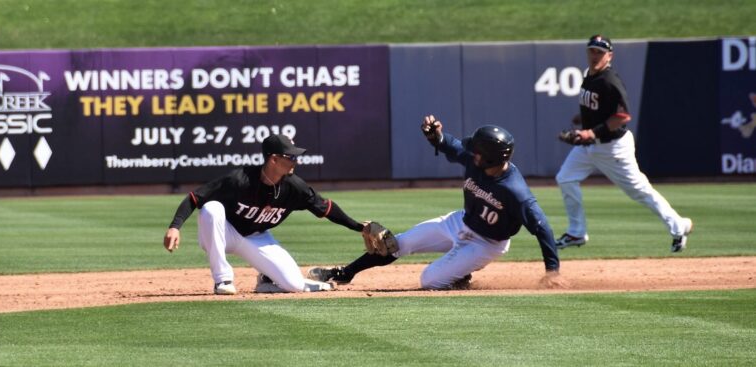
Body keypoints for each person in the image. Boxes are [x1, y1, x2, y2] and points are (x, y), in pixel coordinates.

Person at [308, 115, 561, 290]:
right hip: (459, 222)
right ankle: (346, 273)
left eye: (478, 150)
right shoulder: (476, 160)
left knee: (429, 280)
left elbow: (542, 228)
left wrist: (552, 270)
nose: (472, 151)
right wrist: (436, 138)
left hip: (487, 243)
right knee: (395, 244)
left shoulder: (515, 191)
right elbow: (452, 147)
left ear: (491, 158)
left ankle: (460, 275)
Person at [163, 134, 369, 294]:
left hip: (258, 237)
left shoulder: (295, 187)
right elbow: (195, 198)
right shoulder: (240, 180)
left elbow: (328, 209)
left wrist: (360, 227)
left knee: (294, 285)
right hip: (225, 233)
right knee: (211, 209)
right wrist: (175, 226)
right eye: (290, 156)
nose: (295, 160)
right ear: (273, 160)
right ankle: (223, 280)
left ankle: (267, 280)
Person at [555, 35, 693, 252]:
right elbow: (599, 108)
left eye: (600, 52)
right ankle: (576, 232)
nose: (595, 56)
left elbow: (621, 116)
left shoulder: (609, 81)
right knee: (565, 178)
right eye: (592, 51)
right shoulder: (589, 76)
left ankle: (678, 227)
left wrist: (590, 131)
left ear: (609, 55)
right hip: (590, 146)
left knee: (639, 191)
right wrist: (582, 118)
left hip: (613, 147)